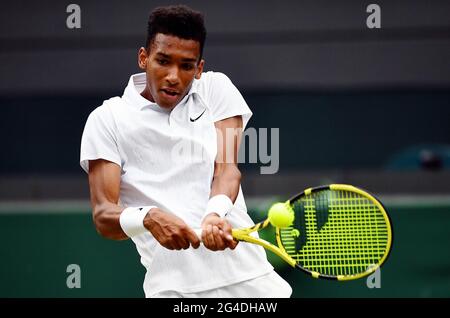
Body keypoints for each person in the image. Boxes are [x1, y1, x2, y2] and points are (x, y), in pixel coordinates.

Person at [80, 4, 292, 298]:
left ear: (200, 68)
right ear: (143, 58)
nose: (173, 76)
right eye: (163, 61)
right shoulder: (107, 120)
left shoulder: (216, 89)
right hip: (173, 292)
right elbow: (104, 216)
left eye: (186, 65)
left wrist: (215, 214)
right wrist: (149, 218)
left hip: (252, 283)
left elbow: (226, 169)